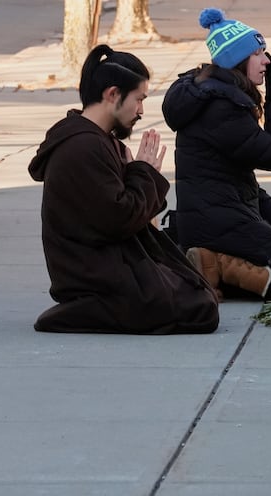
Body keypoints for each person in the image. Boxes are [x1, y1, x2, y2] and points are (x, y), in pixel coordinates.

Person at [28, 44, 219, 334]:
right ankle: (82, 309)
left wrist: (139, 175)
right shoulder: (83, 146)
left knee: (196, 294)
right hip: (93, 273)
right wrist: (144, 173)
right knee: (198, 309)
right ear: (112, 94)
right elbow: (119, 219)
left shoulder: (98, 140)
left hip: (107, 263)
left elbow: (127, 216)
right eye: (139, 99)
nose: (142, 110)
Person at [162, 8, 271, 301]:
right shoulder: (221, 106)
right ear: (236, 60)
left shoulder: (214, 95)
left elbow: (239, 181)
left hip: (215, 217)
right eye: (258, 53)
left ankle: (212, 265)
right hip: (217, 222)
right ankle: (215, 268)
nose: (267, 61)